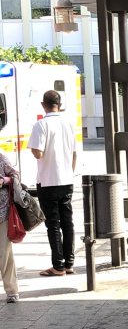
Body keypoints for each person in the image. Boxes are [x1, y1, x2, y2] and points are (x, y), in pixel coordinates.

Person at [27, 89, 77, 276]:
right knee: (67, 222)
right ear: (60, 104)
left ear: (43, 104)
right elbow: (74, 153)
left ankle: (58, 265)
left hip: (48, 181)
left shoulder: (41, 125)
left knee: (53, 224)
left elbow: (38, 152)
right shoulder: (68, 123)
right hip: (66, 180)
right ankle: (70, 263)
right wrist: (69, 173)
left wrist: (33, 149)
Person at [0, 152, 20, 303]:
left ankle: (11, 291)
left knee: (4, 253)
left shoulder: (1, 157)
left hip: (2, 212)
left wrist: (4, 180)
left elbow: (16, 176)